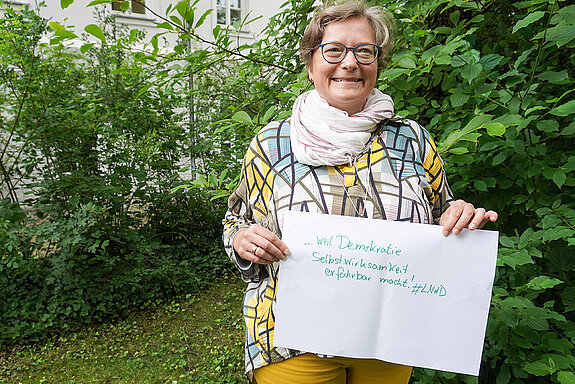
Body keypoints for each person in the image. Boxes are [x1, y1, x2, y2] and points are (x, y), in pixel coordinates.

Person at [222, 2, 498, 383]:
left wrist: (460, 216)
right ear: (310, 64)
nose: (349, 63)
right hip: (293, 341)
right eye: (333, 50)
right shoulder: (272, 144)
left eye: (364, 51)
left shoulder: (412, 139)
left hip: (388, 339)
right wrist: (241, 238)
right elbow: (236, 219)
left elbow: (443, 209)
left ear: (377, 64)